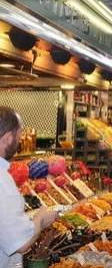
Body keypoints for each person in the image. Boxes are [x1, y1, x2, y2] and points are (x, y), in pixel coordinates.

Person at [0, 107, 58, 267]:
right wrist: (40, 220)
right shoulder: (2, 182)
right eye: (18, 135)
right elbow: (20, 244)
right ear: (7, 137)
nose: (20, 141)